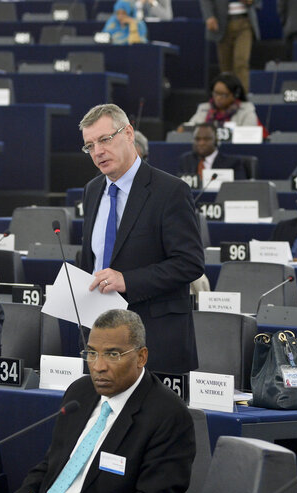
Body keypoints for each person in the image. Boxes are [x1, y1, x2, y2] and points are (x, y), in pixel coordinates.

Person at [13, 309, 195, 493]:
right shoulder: (79, 392)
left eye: (112, 354)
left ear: (141, 357)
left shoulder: (168, 415)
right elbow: (50, 464)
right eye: (92, 353)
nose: (98, 366)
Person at [79, 104, 204, 374]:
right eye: (89, 146)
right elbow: (94, 260)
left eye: (104, 139)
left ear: (128, 134)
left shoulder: (170, 191)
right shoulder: (92, 191)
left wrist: (128, 280)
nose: (98, 151)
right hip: (103, 336)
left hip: (154, 337)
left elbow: (190, 263)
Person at [200, 0, 260, 92]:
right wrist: (209, 16)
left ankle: (242, 99)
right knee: (226, 68)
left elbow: (257, 3)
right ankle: (227, 99)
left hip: (245, 22)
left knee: (241, 62)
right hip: (222, 24)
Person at [181, 72, 261, 132]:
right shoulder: (205, 109)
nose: (218, 98)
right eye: (216, 93)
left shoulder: (246, 111)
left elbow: (249, 135)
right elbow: (189, 128)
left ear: (235, 95)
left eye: (223, 95)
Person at [179, 123, 249, 180]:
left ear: (216, 140)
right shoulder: (186, 160)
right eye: (197, 139)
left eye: (206, 139)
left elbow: (240, 189)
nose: (201, 143)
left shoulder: (233, 163)